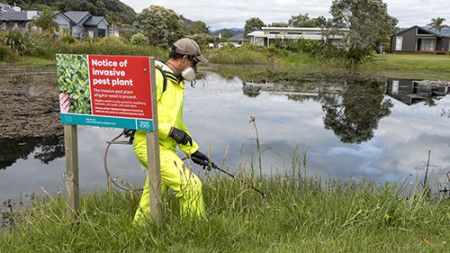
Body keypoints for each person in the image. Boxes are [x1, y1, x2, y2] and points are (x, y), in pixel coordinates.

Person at [132, 38, 211, 224]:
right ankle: (194, 232)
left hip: (165, 148)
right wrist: (170, 131)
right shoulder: (157, 76)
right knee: (191, 185)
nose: (195, 68)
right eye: (194, 62)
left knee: (153, 192)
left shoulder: (176, 82)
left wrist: (193, 150)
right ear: (184, 58)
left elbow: (178, 124)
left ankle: (139, 229)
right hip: (148, 145)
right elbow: (143, 115)